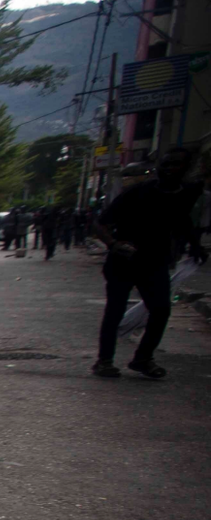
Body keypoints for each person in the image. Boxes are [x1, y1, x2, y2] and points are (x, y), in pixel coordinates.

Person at [91, 146, 200, 379]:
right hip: (124, 261)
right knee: (115, 311)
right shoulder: (138, 192)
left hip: (155, 261)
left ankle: (143, 358)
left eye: (175, 164)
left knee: (161, 310)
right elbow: (101, 223)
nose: (169, 169)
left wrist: (196, 246)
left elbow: (183, 221)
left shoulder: (186, 193)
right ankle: (104, 360)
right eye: (166, 164)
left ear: (186, 168)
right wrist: (113, 244)